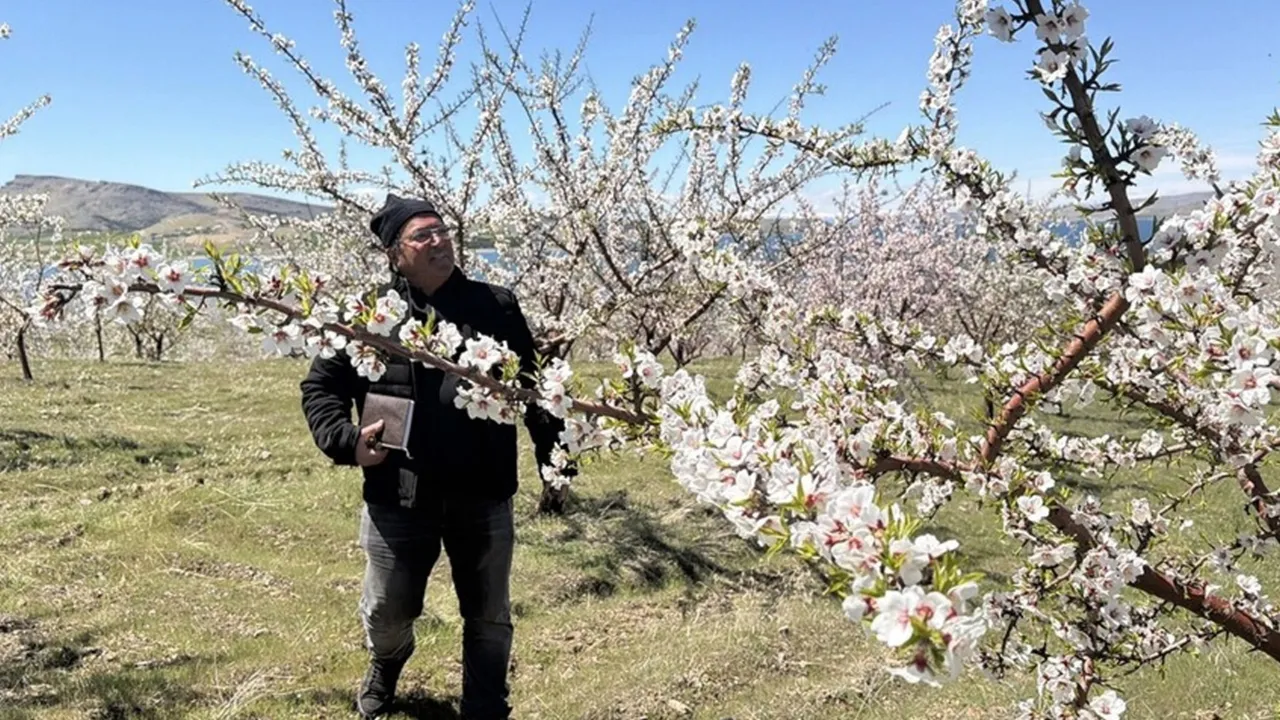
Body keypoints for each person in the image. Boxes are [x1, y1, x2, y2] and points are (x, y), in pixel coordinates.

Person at [299, 193, 570, 719]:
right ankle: (388, 660)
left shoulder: (496, 306)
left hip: (483, 490)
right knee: (387, 610)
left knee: (488, 613)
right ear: (393, 253)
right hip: (399, 493)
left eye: (441, 230)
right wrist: (347, 440)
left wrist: (554, 456)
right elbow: (321, 388)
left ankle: (487, 704)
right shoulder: (368, 317)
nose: (439, 241)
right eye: (422, 235)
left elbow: (535, 388)